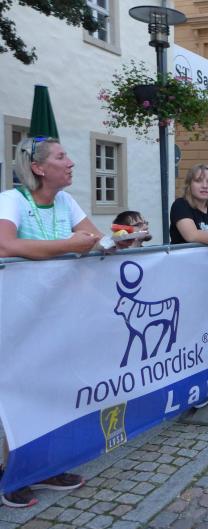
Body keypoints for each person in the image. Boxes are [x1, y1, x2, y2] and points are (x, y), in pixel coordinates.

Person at [0, 136, 98, 507]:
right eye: (61, 156)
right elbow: (5, 245)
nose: (71, 162)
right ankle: (11, 474)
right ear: (39, 168)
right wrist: (69, 244)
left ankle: (46, 465)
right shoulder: (12, 200)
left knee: (56, 388)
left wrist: (119, 243)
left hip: (60, 313)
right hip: (19, 315)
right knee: (20, 391)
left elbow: (95, 238)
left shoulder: (66, 201)